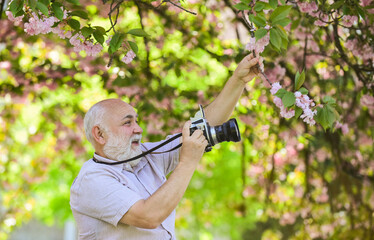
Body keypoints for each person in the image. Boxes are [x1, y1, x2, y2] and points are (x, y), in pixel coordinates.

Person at [70, 53, 261, 239]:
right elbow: (148, 216)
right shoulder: (91, 179)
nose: (138, 129)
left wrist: (238, 80)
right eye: (127, 123)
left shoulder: (144, 156)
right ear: (100, 134)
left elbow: (202, 129)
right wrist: (188, 162)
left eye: (136, 121)